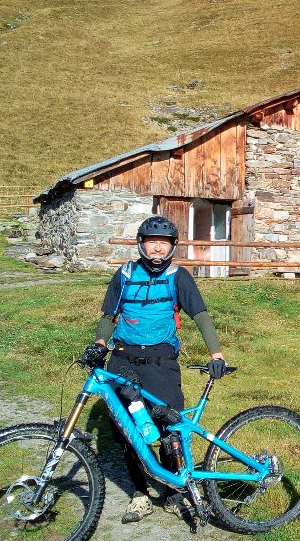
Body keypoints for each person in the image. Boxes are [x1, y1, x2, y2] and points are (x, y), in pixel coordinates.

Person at [85, 215, 229, 523]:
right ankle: (140, 495)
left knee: (169, 428)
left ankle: (173, 494)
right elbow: (109, 316)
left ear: (172, 247)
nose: (157, 250)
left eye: (163, 244)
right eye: (151, 243)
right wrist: (100, 343)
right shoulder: (124, 274)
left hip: (161, 363)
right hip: (122, 359)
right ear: (141, 244)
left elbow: (200, 315)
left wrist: (216, 353)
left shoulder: (179, 276)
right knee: (127, 432)